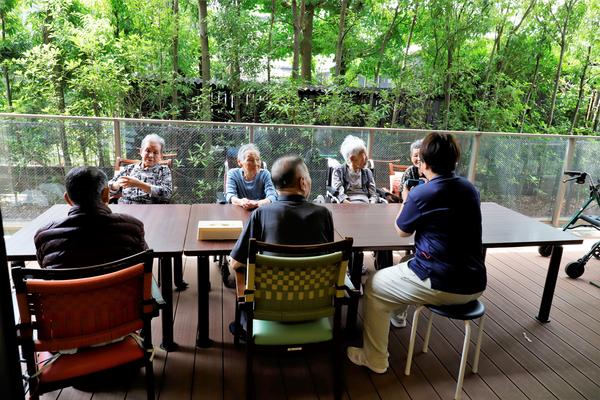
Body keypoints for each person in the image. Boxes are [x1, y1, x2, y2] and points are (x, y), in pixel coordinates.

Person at [347, 132, 486, 374]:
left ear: (424, 163)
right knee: (406, 264)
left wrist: (406, 200)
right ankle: (398, 317)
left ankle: (375, 359)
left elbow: (401, 231)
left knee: (374, 285)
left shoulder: (424, 192)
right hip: (475, 281)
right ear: (454, 161)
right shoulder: (469, 189)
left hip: (441, 283)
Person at [228, 155, 335, 338]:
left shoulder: (261, 214)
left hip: (269, 308)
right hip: (314, 303)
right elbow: (331, 258)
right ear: (302, 182)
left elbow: (236, 263)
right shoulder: (324, 214)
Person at [35, 166, 147, 269]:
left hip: (66, 291)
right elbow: (144, 261)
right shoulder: (133, 228)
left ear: (67, 199)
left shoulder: (44, 236)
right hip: (122, 290)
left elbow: (44, 268)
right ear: (106, 194)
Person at [109, 133, 173, 204]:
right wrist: (116, 184)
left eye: (155, 152)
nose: (151, 155)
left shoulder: (163, 170)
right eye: (147, 151)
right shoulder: (129, 169)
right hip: (125, 207)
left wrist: (139, 184)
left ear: (161, 155)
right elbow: (109, 188)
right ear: (141, 152)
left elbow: (167, 194)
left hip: (151, 209)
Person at [226, 144, 277, 210]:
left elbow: (272, 196)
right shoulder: (233, 174)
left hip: (260, 211)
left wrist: (257, 203)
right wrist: (241, 202)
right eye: (250, 160)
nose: (256, 163)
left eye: (258, 159)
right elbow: (230, 195)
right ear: (239, 162)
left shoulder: (265, 174)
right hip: (240, 211)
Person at [331, 135, 377, 203]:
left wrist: (372, 202)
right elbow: (338, 191)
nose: (366, 159)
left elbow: (373, 194)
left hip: (365, 204)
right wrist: (345, 202)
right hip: (347, 204)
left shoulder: (367, 172)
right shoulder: (338, 171)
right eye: (363, 157)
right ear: (352, 159)